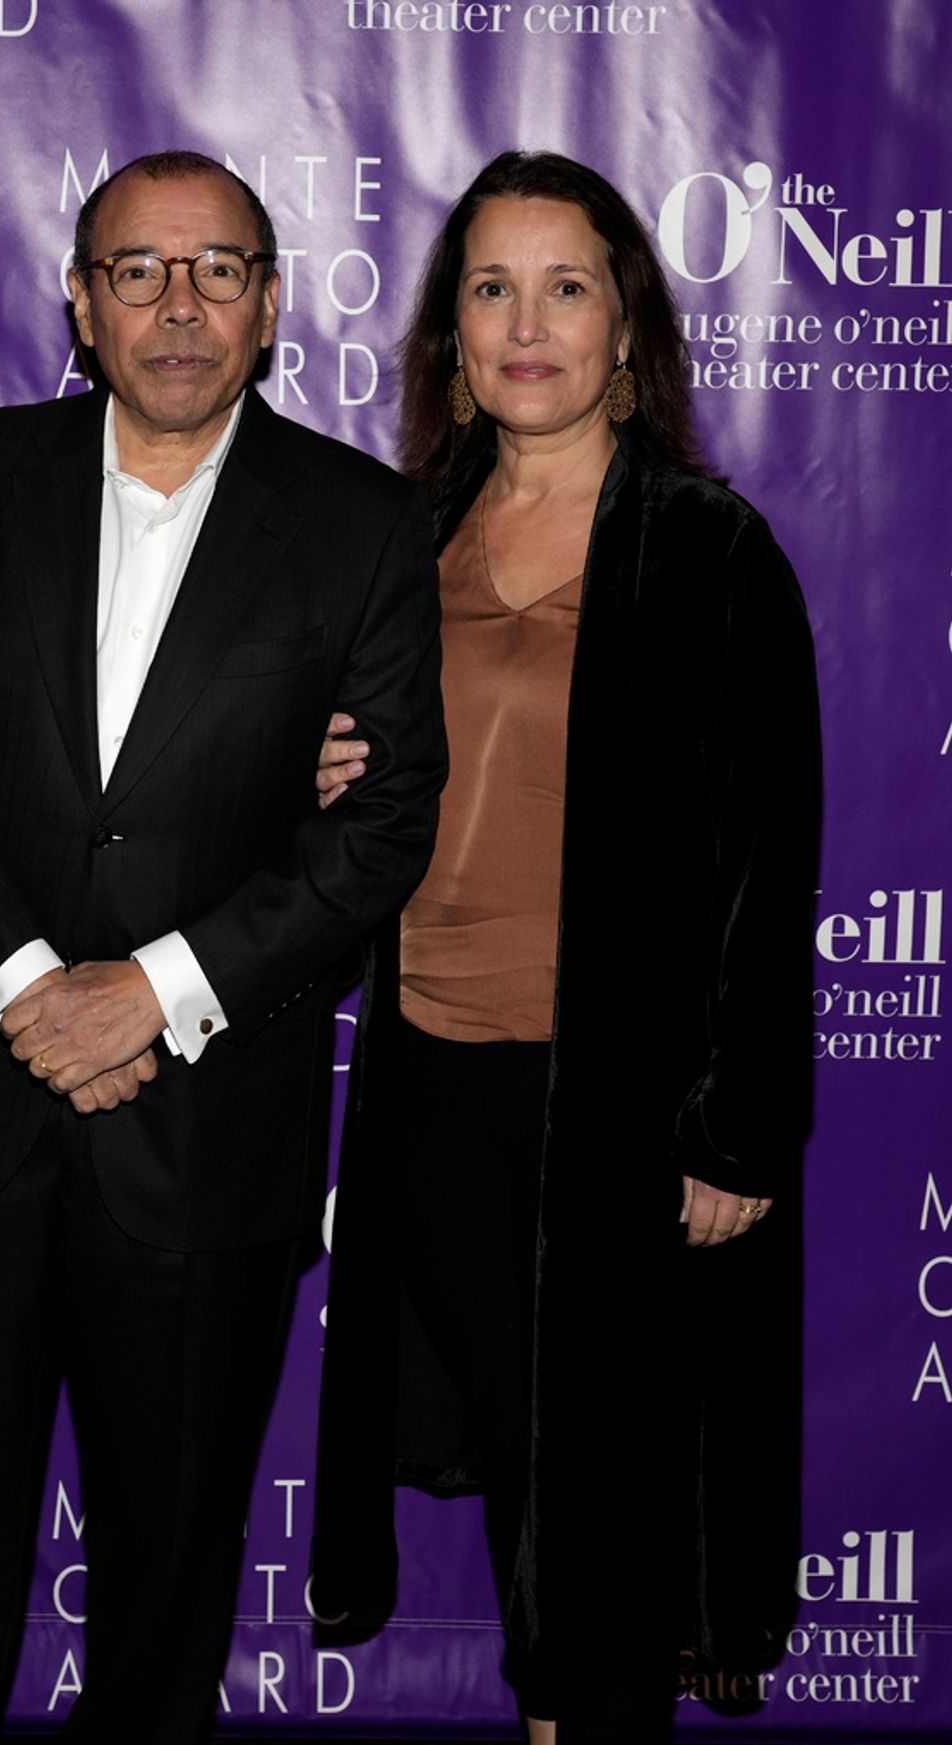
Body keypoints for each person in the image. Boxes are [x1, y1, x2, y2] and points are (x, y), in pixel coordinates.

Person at [0, 150, 445, 1743]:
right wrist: (39, 995)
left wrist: (155, 994)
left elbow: (383, 824)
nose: (180, 306)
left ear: (270, 303)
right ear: (81, 302)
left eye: (217, 270)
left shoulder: (365, 526)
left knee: (167, 1623)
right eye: (139, 271)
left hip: (206, 1153)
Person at [310, 151, 820, 1744]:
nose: (527, 325)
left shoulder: (709, 547)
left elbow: (771, 867)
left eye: (566, 287)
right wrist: (318, 772)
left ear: (626, 328)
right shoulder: (401, 538)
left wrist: (738, 1129)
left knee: (594, 1525)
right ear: (453, 335)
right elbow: (346, 804)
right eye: (491, 288)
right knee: (543, 1508)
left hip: (618, 1115)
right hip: (432, 1095)